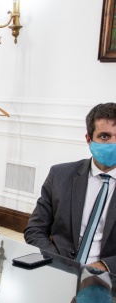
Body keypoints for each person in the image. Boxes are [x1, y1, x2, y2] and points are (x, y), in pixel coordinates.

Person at [25, 103, 116, 272]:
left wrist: (104, 266)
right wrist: (59, 263)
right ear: (88, 139)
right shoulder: (60, 175)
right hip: (58, 268)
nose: (113, 143)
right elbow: (35, 229)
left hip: (108, 278)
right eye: (104, 136)